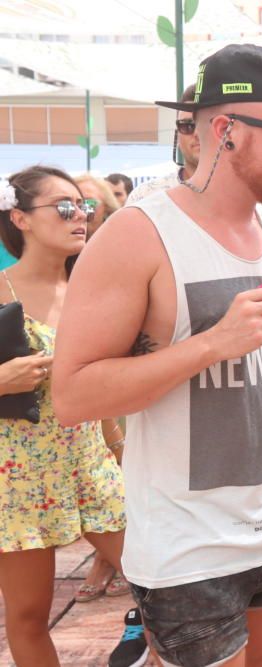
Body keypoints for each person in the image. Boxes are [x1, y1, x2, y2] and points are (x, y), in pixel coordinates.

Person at [52, 44, 262, 667]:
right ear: (227, 131)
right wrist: (212, 345)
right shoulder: (139, 234)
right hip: (188, 546)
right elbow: (73, 395)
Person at [0, 166, 129, 667]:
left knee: (161, 586)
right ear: (21, 218)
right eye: (64, 207)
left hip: (91, 464)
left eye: (85, 207)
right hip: (17, 476)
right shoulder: (1, 292)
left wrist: (122, 459)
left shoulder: (96, 292)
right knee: (29, 616)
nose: (80, 217)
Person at [127, 84, 201, 205]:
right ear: (177, 135)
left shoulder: (241, 195)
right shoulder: (145, 196)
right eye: (187, 125)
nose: (198, 133)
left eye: (208, 123)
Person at [74, 174, 119, 239]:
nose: (80, 212)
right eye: (73, 204)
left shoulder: (118, 241)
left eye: (89, 202)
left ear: (107, 207)